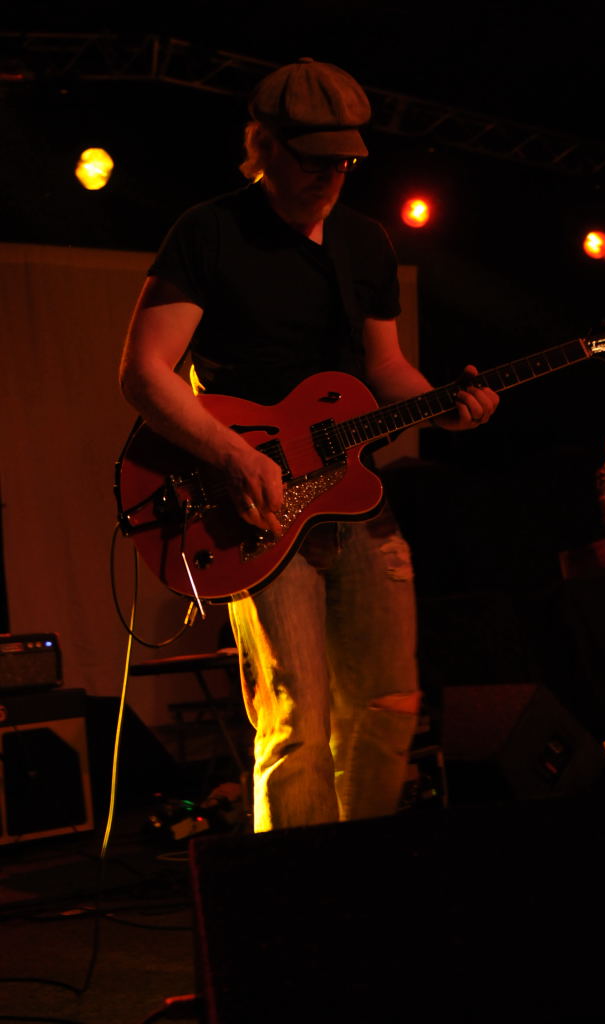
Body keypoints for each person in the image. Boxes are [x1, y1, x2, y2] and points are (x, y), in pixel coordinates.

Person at [119, 57, 499, 832]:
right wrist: (235, 455)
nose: (331, 176)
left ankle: (361, 873)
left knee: (390, 704)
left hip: (356, 499)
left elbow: (384, 368)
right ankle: (296, 888)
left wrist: (444, 409)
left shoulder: (365, 242)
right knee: (295, 721)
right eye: (314, 159)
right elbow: (144, 373)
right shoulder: (210, 232)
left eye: (345, 162)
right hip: (254, 507)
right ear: (264, 144)